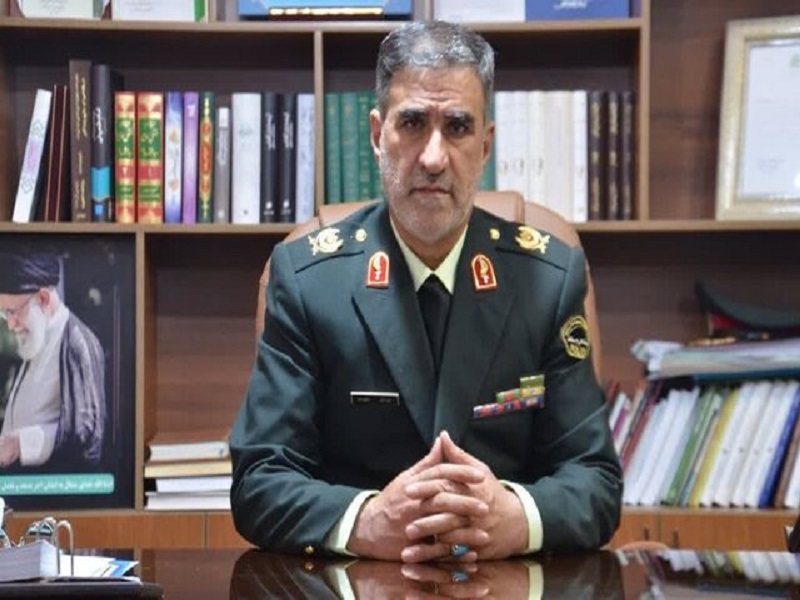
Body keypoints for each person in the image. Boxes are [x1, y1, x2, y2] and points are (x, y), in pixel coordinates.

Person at [230, 20, 622, 562]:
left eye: (458, 127)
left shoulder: (547, 281)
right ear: (377, 135)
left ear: (485, 146)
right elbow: (259, 481)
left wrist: (515, 516)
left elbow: (595, 480)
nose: (434, 157)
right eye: (413, 123)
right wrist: (367, 520)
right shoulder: (308, 280)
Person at [0, 252, 105, 470]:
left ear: (44, 299)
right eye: (5, 314)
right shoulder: (36, 339)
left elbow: (87, 434)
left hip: (53, 486)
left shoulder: (77, 342)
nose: (10, 324)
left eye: (13, 312)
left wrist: (21, 444)